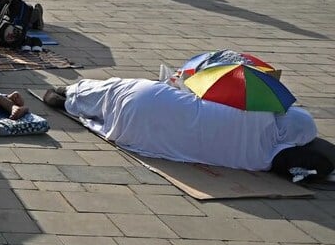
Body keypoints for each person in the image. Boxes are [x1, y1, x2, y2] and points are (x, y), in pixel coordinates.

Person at [46, 77, 320, 173]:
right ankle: (73, 99)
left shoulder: (255, 110)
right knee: (113, 109)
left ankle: (72, 92)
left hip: (149, 98)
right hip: (139, 136)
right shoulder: (261, 158)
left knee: (116, 91)